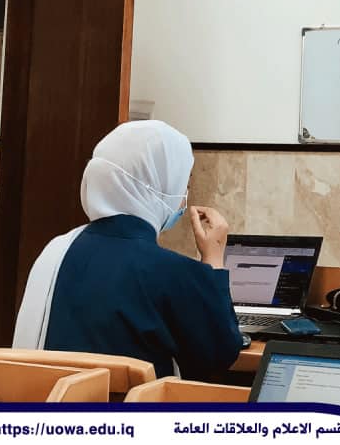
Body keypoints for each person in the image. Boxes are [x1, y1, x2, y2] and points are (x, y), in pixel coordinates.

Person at [13, 120, 243, 380]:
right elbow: (219, 355)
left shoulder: (55, 250)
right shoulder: (171, 272)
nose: (183, 198)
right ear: (159, 187)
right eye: (183, 184)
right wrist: (213, 259)